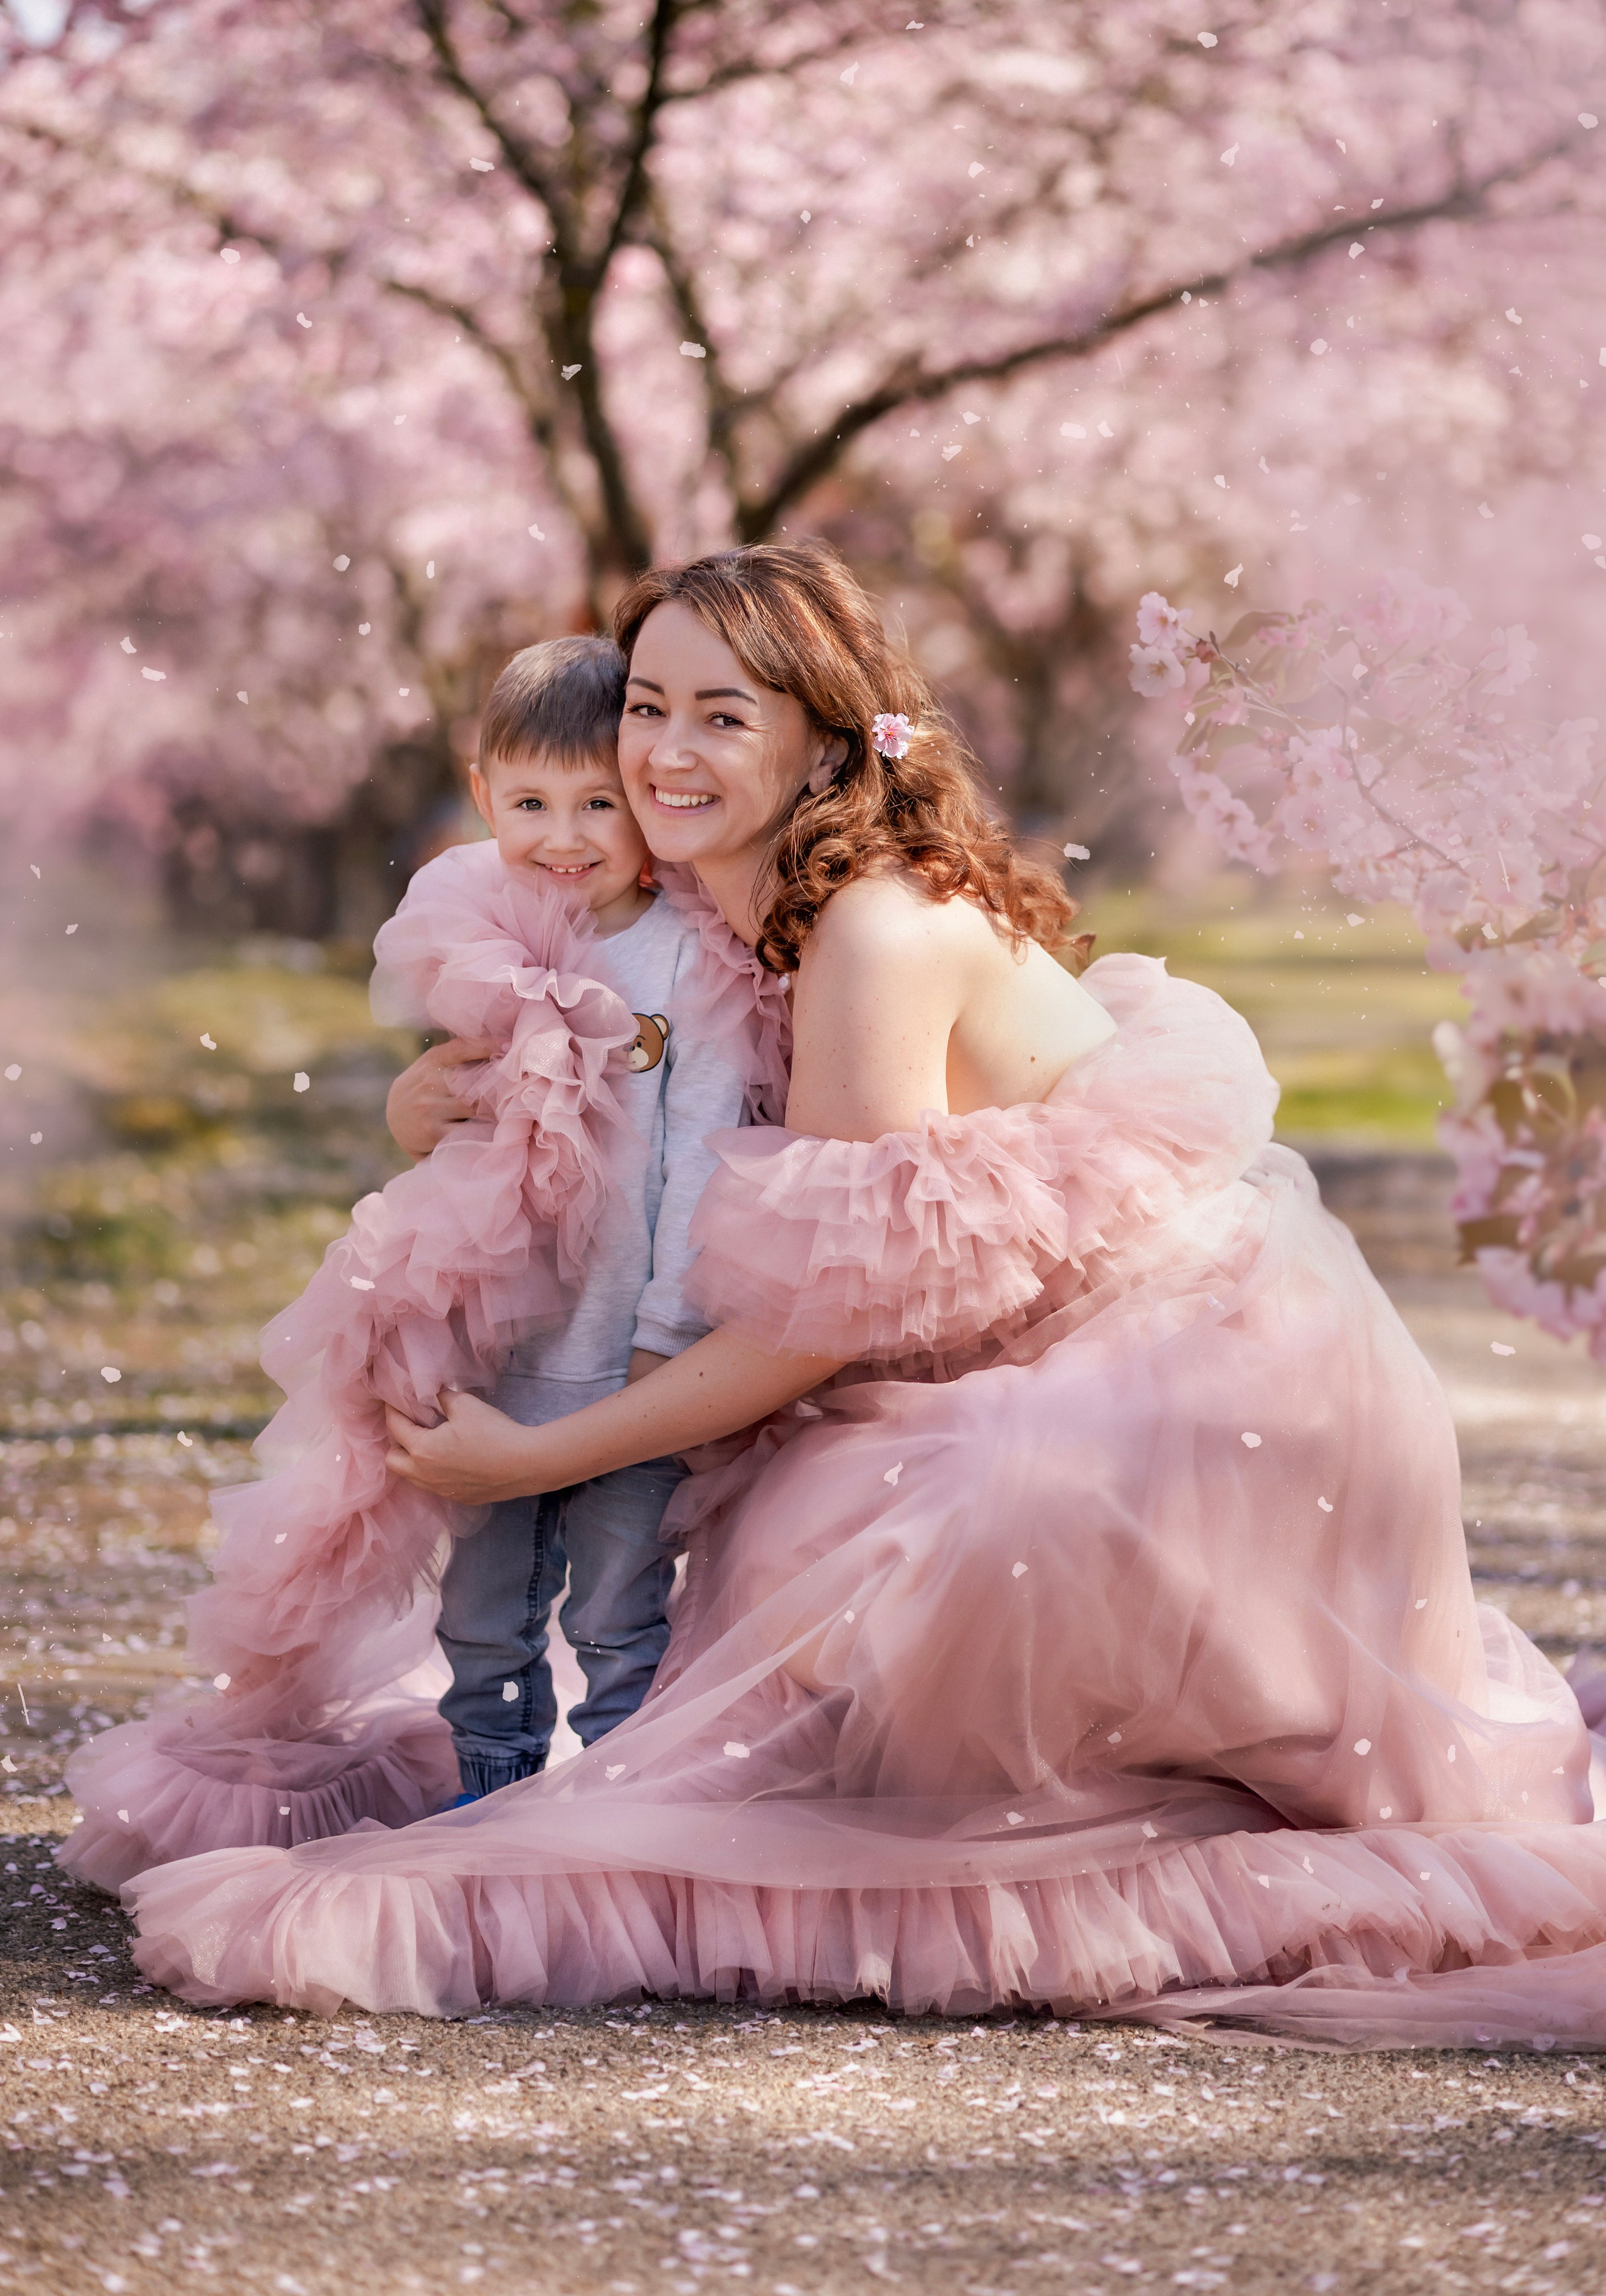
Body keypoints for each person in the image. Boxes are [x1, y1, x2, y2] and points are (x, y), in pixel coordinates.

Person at [124, 543, 1606, 2048]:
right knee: (779, 1569)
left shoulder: (871, 928)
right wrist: (431, 1102)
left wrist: (547, 1454)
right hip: (1053, 1340)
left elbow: (819, 1313)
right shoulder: (730, 901)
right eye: (645, 706)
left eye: (722, 713)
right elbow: (632, 1086)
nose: (664, 754)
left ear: (826, 739)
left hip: (1196, 1387)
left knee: (863, 1539)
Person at [390, 635, 755, 1800]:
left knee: (617, 1606)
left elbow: (706, 1156)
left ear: (648, 799)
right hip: (500, 1343)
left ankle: (617, 1800)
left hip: (629, 1356)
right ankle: (488, 1791)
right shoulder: (483, 942)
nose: (565, 836)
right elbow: (454, 1121)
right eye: (533, 801)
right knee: (483, 1609)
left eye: (600, 801)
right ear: (484, 791)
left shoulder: (690, 956)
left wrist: (668, 1334)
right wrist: (414, 1110)